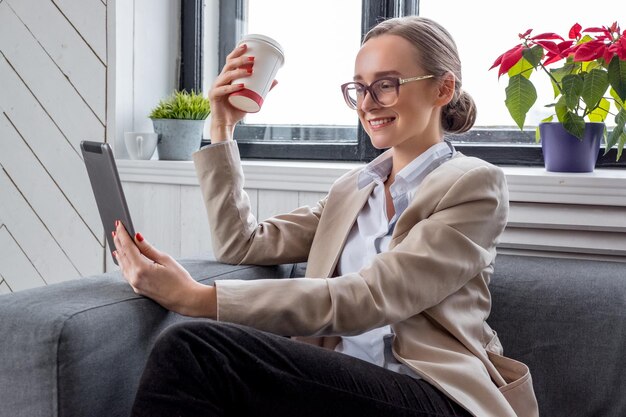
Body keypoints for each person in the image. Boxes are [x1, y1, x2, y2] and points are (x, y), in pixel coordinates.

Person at [112, 16, 539, 417]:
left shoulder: (474, 185)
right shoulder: (352, 190)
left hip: (430, 393)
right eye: (359, 88)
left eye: (386, 85)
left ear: (442, 89)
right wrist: (222, 128)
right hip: (342, 382)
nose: (367, 103)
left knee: (194, 348)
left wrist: (198, 299)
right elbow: (243, 243)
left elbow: (372, 296)